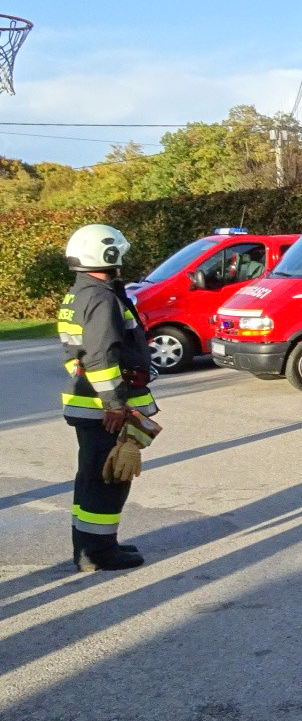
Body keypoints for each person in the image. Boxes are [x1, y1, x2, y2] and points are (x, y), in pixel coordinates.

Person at [57, 223, 159, 571]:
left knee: (91, 478)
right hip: (104, 409)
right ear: (107, 255)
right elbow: (101, 357)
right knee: (108, 479)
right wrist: (115, 405)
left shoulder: (82, 292)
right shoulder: (101, 299)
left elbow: (79, 355)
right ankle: (99, 554)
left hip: (87, 405)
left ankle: (90, 548)